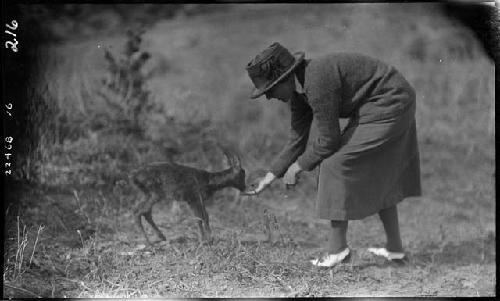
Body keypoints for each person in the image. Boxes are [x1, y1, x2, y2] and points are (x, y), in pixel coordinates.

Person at [244, 42, 421, 267]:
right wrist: (268, 178)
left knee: (333, 164)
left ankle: (338, 250)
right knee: (378, 173)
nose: (269, 97)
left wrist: (298, 167)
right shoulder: (299, 92)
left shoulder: (317, 82)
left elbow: (329, 141)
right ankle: (395, 250)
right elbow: (297, 139)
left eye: (269, 90)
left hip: (391, 101)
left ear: (285, 79)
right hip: (377, 104)